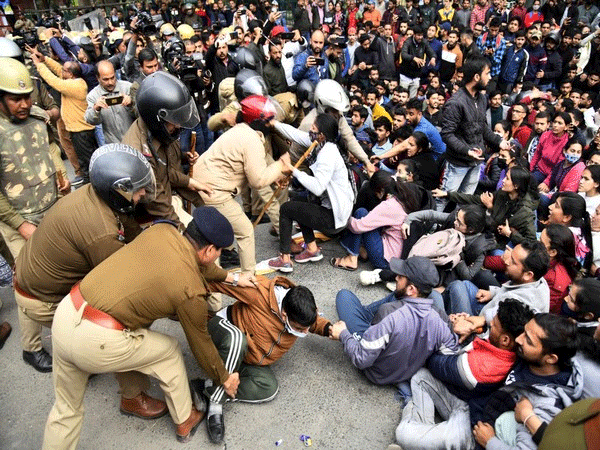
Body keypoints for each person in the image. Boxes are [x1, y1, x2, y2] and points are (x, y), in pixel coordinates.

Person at [42, 207, 256, 448]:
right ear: (209, 250)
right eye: (217, 253)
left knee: (65, 410)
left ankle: (131, 397)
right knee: (169, 351)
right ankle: (185, 419)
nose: (216, 258)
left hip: (66, 314)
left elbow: (199, 263)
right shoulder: (190, 291)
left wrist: (231, 278)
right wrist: (225, 379)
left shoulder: (162, 231)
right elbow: (201, 343)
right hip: (97, 341)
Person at [13, 144, 154, 374]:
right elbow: (123, 280)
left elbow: (127, 223)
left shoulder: (94, 193)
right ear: (118, 191)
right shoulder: (101, 233)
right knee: (118, 317)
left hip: (28, 276)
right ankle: (120, 385)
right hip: (43, 299)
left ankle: (36, 345)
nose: (143, 194)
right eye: (138, 190)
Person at [190, 277, 333, 443]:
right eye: (300, 329)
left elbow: (309, 322)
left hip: (248, 357)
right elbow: (217, 281)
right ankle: (215, 403)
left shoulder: (299, 311)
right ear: (284, 314)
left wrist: (327, 328)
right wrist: (190, 307)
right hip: (223, 334)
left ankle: (207, 386)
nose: (305, 332)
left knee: (268, 388)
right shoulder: (258, 291)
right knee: (237, 340)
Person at [395, 299, 533, 450]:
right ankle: (425, 437)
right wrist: (469, 325)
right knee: (421, 377)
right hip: (468, 401)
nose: (489, 325)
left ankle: (412, 414)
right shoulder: (511, 347)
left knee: (403, 434)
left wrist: (442, 336)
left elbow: (438, 364)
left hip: (472, 428)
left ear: (505, 340)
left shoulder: (483, 368)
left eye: (493, 326)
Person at [194, 95, 290, 273]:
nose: (272, 123)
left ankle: (215, 268)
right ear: (258, 120)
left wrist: (274, 172)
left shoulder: (242, 130)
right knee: (245, 231)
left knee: (215, 233)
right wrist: (280, 166)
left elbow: (258, 163)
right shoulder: (251, 139)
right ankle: (248, 277)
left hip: (204, 184)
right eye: (269, 120)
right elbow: (258, 180)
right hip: (214, 191)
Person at [331, 256, 459, 386]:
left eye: (401, 277)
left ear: (411, 289)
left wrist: (343, 334)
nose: (396, 277)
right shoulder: (441, 317)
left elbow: (361, 359)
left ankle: (368, 321)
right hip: (407, 369)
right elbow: (450, 355)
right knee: (397, 294)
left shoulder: (388, 313)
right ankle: (369, 318)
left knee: (344, 295)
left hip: (377, 373)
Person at [471, 314, 582, 450]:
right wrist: (480, 320)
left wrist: (490, 442)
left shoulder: (544, 404)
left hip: (481, 432)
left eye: (528, 340)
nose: (518, 339)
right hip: (479, 401)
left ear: (551, 358)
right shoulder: (531, 356)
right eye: (524, 331)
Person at [121, 71, 209, 228]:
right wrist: (183, 231)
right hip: (152, 218)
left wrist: (184, 161)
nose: (178, 125)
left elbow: (165, 170)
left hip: (167, 199)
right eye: (173, 121)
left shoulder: (160, 131)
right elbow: (155, 199)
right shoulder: (140, 153)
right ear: (157, 118)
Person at [0, 58, 67, 262]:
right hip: (17, 222)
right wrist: (20, 224)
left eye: (27, 97)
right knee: (32, 281)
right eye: (15, 99)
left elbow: (49, 150)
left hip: (52, 212)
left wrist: (61, 180)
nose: (25, 105)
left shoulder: (38, 117)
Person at [269, 113, 353, 272]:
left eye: (313, 128)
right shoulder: (321, 143)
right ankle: (312, 249)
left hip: (334, 218)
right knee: (301, 205)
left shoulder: (328, 153)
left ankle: (284, 258)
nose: (310, 131)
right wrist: (274, 123)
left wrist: (293, 169)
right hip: (333, 210)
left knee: (286, 209)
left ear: (321, 135)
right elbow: (295, 134)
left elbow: (318, 187)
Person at [437, 56, 511, 212]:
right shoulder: (456, 103)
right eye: (487, 73)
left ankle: (458, 227)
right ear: (476, 77)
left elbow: (482, 127)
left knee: (465, 200)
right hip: (458, 163)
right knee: (443, 198)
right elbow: (447, 134)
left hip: (476, 161)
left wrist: (499, 141)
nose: (490, 77)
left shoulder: (482, 98)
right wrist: (467, 150)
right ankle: (431, 229)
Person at [29, 47, 97, 183]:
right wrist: (45, 59)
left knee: (87, 161)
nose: (61, 71)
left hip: (82, 132)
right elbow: (58, 69)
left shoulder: (76, 85)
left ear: (71, 74)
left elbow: (53, 81)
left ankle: (91, 185)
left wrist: (39, 65)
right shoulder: (72, 80)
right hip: (76, 130)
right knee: (83, 160)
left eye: (64, 70)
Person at [445, 240, 550, 325]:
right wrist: (493, 293)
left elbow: (495, 321)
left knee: (457, 286)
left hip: (483, 329)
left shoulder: (520, 303)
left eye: (513, 261)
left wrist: (469, 321)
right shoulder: (538, 280)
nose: (507, 261)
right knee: (466, 285)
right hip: (490, 309)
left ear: (528, 275)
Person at [434, 166, 538, 250]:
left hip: (500, 243)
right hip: (488, 230)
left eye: (507, 178)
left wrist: (511, 234)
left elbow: (532, 243)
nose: (503, 180)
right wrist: (447, 194)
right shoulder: (502, 194)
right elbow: (474, 199)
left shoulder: (525, 212)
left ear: (516, 186)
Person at [330, 179, 418, 272]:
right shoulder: (405, 204)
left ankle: (351, 259)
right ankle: (364, 252)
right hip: (395, 260)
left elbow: (358, 226)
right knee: (369, 221)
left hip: (384, 261)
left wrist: (342, 215)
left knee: (361, 213)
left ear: (381, 191)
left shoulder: (390, 205)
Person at [84, 60, 135, 144]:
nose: (110, 82)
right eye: (105, 79)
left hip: (134, 140)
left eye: (112, 78)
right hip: (114, 145)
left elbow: (142, 113)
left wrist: (132, 103)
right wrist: (96, 109)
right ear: (98, 78)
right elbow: (89, 120)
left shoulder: (128, 87)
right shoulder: (93, 95)